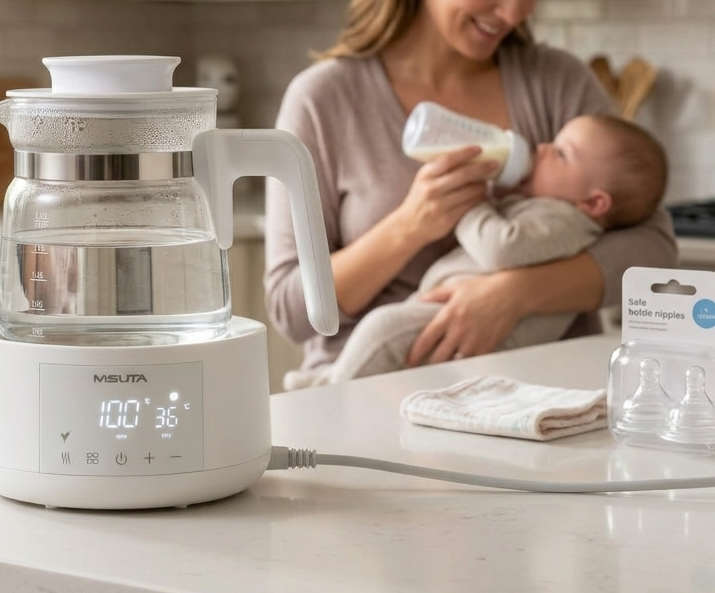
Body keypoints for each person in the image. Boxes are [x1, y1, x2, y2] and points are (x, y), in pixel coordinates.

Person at [265, 0, 678, 378]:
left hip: (541, 402)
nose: (512, 11)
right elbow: (291, 309)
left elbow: (654, 249)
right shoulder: (323, 101)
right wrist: (410, 227)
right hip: (368, 399)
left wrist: (513, 294)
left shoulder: (554, 84)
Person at [283, 113, 668, 389]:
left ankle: (334, 389)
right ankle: (329, 380)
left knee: (382, 331)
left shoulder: (566, 220)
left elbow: (501, 248)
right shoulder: (322, 100)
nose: (544, 146)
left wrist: (470, 205)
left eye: (562, 154)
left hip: (487, 340)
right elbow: (288, 306)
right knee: (383, 343)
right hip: (441, 313)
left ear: (595, 203)